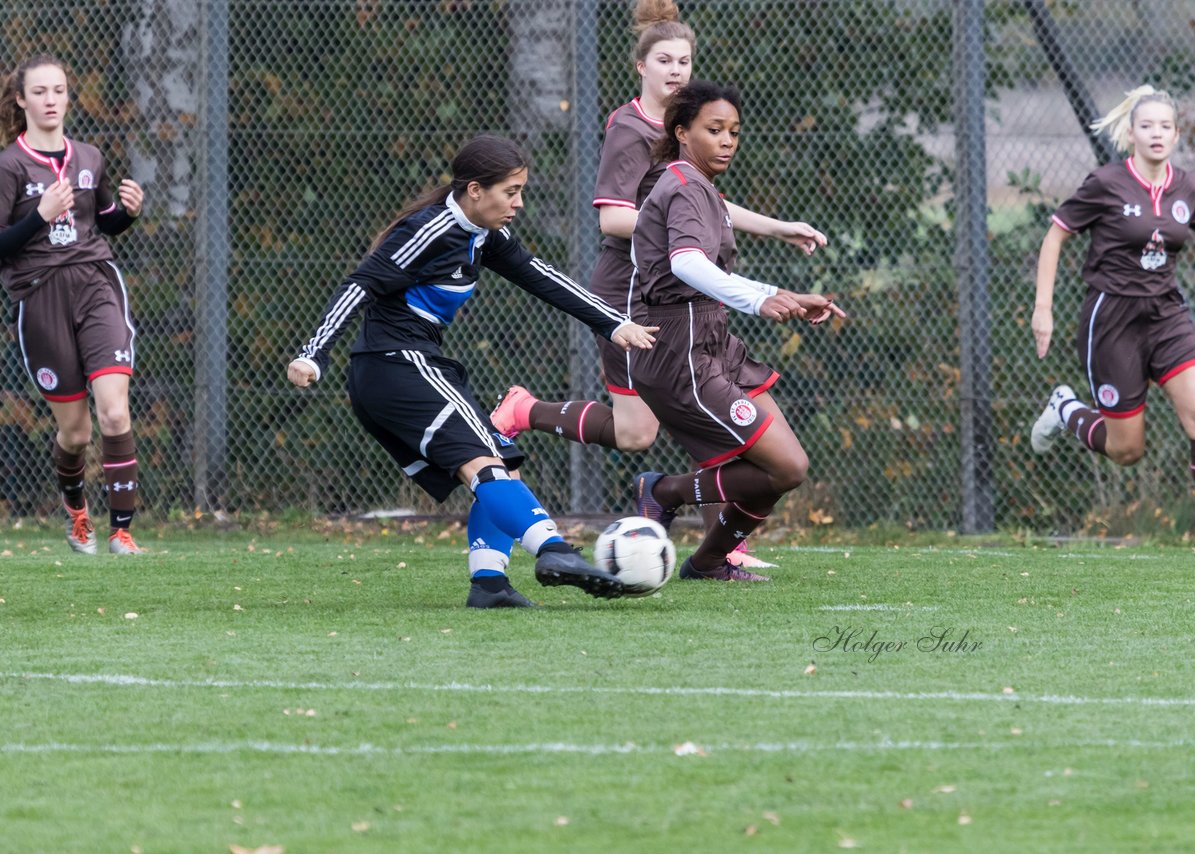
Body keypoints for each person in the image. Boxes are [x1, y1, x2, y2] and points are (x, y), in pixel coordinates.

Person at [490, 0, 825, 570]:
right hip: (633, 293)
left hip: (691, 304)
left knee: (692, 431)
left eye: (686, 61)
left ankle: (720, 541)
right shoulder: (632, 130)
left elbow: (703, 210)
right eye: (665, 60)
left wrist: (773, 227)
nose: (677, 71)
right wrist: (701, 256)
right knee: (638, 431)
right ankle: (527, 411)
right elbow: (615, 218)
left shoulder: (689, 147)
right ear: (640, 66)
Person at [287, 135, 658, 608]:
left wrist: (613, 323)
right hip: (396, 364)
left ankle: (490, 584)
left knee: (492, 467)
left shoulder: (487, 235)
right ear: (476, 190)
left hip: (409, 366)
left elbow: (541, 276)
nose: (519, 203)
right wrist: (313, 353)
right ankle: (555, 551)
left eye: (522, 191)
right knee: (485, 464)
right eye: (511, 191)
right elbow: (360, 284)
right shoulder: (430, 230)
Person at [618, 80, 843, 581]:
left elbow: (704, 270)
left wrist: (785, 294)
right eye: (714, 129)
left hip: (714, 342)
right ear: (681, 131)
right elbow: (688, 264)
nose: (727, 140)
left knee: (784, 469)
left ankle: (708, 561)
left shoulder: (700, 187)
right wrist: (760, 298)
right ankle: (664, 493)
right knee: (786, 468)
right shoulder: (682, 184)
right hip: (679, 351)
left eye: (734, 132)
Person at [0, 55, 146, 555]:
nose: (51, 100)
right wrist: (40, 217)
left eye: (59, 90)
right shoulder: (7, 167)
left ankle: (122, 531)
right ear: (21, 100)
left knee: (114, 413)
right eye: (40, 92)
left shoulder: (89, 157)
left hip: (95, 284)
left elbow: (103, 222)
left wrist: (128, 214)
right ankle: (77, 515)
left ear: (69, 97)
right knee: (76, 432)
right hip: (40, 296)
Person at [1030, 85, 1195, 546]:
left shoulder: (1188, 188)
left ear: (1175, 136)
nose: (1157, 133)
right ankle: (1066, 408)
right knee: (1127, 450)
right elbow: (1055, 236)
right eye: (1147, 125)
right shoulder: (1107, 183)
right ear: (1131, 133)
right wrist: (1043, 309)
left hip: (1167, 316)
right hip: (1112, 320)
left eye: (1165, 127)